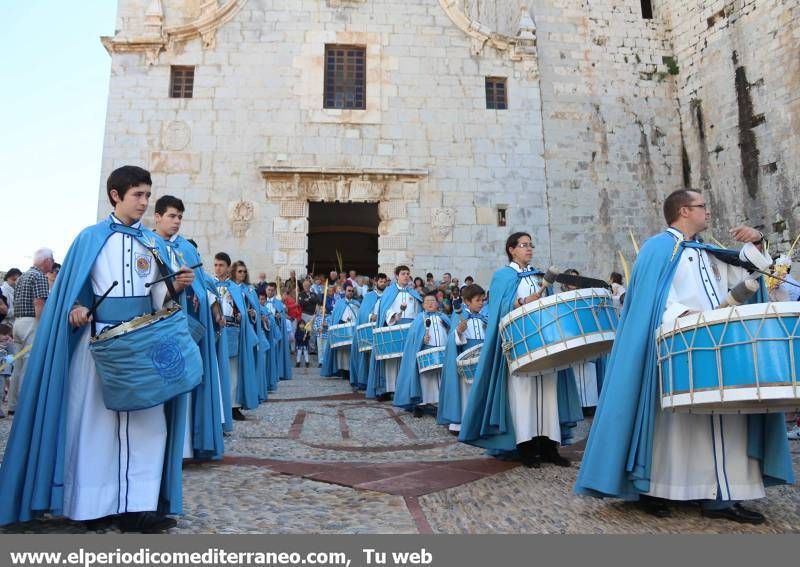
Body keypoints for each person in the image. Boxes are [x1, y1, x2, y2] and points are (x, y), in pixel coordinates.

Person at [575, 189, 794, 524]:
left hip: (716, 346)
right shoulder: (657, 248)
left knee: (726, 414)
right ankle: (655, 489)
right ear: (683, 211)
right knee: (673, 428)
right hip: (677, 347)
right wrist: (685, 314)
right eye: (702, 206)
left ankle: (721, 496)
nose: (708, 211)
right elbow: (653, 300)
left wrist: (759, 242)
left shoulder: (707, 250)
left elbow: (750, 276)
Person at [0, 165, 196, 532]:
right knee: (94, 426)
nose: (143, 202)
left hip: (142, 345)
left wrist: (176, 286)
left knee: (147, 425)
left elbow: (157, 296)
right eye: (137, 195)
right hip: (98, 346)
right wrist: (75, 309)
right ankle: (91, 505)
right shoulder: (89, 239)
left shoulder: (154, 244)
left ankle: (138, 507)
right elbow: (74, 291)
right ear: (115, 196)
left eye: (147, 195)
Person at [459, 232, 577, 468]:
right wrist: (522, 302)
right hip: (519, 344)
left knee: (548, 394)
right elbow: (499, 307)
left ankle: (549, 447)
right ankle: (525, 448)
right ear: (511, 249)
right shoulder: (503, 276)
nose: (529, 249)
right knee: (524, 396)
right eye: (524, 245)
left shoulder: (538, 276)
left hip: (543, 343)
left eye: (531, 245)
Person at [153, 195, 225, 461]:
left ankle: (183, 449)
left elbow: (201, 285)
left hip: (185, 326)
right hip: (156, 325)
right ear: (158, 216)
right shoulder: (147, 244)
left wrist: (201, 297)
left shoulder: (187, 248)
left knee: (185, 384)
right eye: (172, 216)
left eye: (180, 217)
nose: (177, 221)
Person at [7, 248, 54, 415]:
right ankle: (24, 407)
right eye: (52, 259)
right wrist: (43, 326)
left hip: (18, 323)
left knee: (17, 367)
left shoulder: (23, 276)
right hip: (31, 323)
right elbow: (39, 303)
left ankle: (12, 405)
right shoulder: (39, 276)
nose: (53, 263)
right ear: (46, 261)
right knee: (29, 365)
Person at [366, 265, 422, 400]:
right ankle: (388, 389)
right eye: (403, 273)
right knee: (391, 359)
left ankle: (404, 389)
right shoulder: (389, 291)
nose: (406, 276)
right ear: (396, 276)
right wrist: (393, 315)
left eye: (408, 273)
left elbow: (418, 312)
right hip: (394, 327)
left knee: (407, 359)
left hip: (410, 329)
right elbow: (384, 309)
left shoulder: (413, 293)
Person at [438, 284, 487, 433]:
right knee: (465, 392)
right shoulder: (460, 317)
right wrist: (459, 332)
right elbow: (453, 340)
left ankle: (478, 423)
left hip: (481, 357)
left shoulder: (484, 317)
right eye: (477, 300)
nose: (481, 303)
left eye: (483, 300)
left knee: (479, 391)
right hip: (465, 360)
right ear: (466, 301)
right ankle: (460, 423)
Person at [394, 292, 451, 417]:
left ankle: (437, 404)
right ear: (423, 305)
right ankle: (422, 404)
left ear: (437, 304)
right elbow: (413, 338)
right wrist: (421, 340)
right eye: (427, 301)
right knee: (426, 379)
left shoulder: (443, 317)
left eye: (433, 301)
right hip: (425, 352)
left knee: (439, 379)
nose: (430, 303)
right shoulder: (419, 318)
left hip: (442, 352)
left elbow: (450, 331)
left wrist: (447, 328)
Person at [349, 273, 388, 390]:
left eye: (384, 281)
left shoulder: (388, 295)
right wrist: (371, 316)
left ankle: (381, 383)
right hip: (370, 328)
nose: (383, 284)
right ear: (376, 282)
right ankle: (366, 381)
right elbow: (363, 313)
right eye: (381, 281)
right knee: (368, 356)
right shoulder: (369, 296)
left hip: (383, 328)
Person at [320, 283, 359, 381]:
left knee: (352, 352)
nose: (350, 292)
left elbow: (359, 317)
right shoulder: (339, 303)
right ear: (345, 291)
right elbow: (335, 317)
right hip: (342, 330)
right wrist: (341, 322)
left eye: (352, 291)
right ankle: (342, 371)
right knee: (342, 352)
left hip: (353, 331)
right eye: (348, 291)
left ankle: (351, 371)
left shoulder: (356, 303)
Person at [0, 323, 15, 417]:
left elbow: (12, 356)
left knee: (1, 392)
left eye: (8, 334)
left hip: (4, 373)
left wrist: (10, 344)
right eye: (4, 334)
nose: (6, 336)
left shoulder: (9, 346)